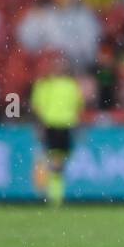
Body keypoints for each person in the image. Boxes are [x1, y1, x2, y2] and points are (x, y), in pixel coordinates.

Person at [29, 55, 85, 207]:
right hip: (52, 126)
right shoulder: (45, 85)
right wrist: (39, 126)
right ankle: (54, 197)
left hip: (66, 126)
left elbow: (78, 107)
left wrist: (78, 125)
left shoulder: (71, 85)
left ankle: (52, 195)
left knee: (59, 162)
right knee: (55, 162)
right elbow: (38, 108)